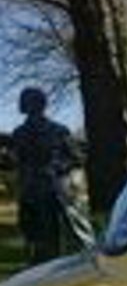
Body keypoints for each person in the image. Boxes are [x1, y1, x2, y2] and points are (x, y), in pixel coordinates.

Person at [11, 87, 82, 264]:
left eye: (26, 100)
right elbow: (15, 161)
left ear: (38, 104)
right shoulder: (18, 133)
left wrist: (56, 167)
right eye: (23, 100)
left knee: (52, 243)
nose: (22, 104)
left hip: (52, 194)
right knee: (31, 241)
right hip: (27, 194)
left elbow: (77, 158)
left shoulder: (59, 131)